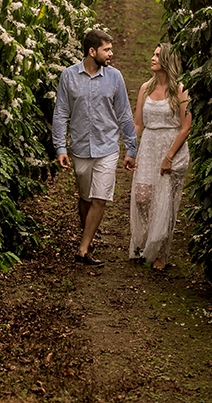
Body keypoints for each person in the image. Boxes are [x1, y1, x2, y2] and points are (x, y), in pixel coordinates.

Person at [53, 29, 137, 266]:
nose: (111, 54)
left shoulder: (115, 77)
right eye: (106, 49)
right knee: (85, 199)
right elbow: (60, 114)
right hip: (80, 147)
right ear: (92, 51)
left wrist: (131, 148)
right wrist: (60, 147)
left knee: (100, 198)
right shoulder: (68, 77)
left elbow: (124, 114)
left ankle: (82, 249)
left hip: (107, 147)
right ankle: (88, 241)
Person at [129, 43, 191, 271]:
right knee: (142, 197)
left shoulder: (181, 90)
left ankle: (161, 253)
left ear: (167, 60)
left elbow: (186, 127)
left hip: (171, 147)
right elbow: (138, 123)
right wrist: (130, 150)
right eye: (153, 53)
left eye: (157, 55)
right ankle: (148, 239)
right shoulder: (145, 88)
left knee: (166, 201)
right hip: (148, 147)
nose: (152, 58)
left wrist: (169, 157)